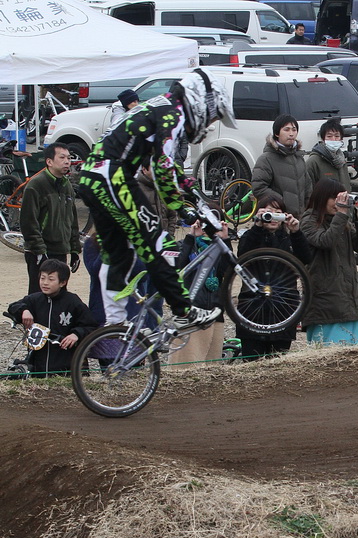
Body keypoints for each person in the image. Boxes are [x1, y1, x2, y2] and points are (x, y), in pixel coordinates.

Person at [79, 68, 235, 329]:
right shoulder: (172, 114)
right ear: (201, 103)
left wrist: (189, 191)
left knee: (118, 252)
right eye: (211, 119)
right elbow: (163, 167)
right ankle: (184, 309)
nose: (208, 126)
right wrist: (180, 206)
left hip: (92, 178)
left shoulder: (159, 107)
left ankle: (115, 328)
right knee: (157, 244)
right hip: (111, 176)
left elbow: (165, 164)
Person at [236, 197, 308, 360]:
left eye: (278, 213)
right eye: (268, 213)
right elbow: (242, 256)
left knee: (278, 362)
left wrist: (296, 232)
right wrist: (257, 227)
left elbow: (305, 258)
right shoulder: (250, 236)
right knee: (251, 361)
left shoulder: (288, 239)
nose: (273, 217)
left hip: (283, 310)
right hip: (252, 311)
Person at [300, 178, 358, 346]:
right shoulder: (308, 220)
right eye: (334, 198)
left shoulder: (342, 221)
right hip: (325, 303)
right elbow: (325, 241)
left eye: (342, 198)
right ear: (321, 197)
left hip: (350, 299)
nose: (338, 203)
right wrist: (341, 215)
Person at [7, 259, 97, 378]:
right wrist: (24, 310)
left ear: (63, 282)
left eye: (51, 279)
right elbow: (12, 307)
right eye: (42, 278)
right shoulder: (34, 300)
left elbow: (91, 326)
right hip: (38, 366)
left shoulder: (73, 302)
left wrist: (76, 334)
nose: (45, 283)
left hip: (67, 368)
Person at [168, 213, 230, 370]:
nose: (206, 227)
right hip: (191, 314)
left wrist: (225, 240)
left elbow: (229, 271)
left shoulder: (218, 249)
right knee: (185, 370)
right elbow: (176, 269)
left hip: (215, 314)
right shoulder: (184, 245)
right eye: (204, 222)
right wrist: (191, 238)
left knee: (212, 370)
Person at [20, 142, 81, 294]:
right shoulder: (36, 185)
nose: (67, 161)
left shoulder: (66, 185)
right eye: (62, 157)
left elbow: (72, 219)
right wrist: (40, 251)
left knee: (59, 296)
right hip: (41, 252)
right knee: (39, 297)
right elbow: (28, 223)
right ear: (49, 161)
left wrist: (74, 249)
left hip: (60, 250)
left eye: (69, 158)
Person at [251, 113, 312, 219]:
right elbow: (258, 188)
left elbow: (308, 186)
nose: (291, 134)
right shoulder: (266, 159)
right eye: (286, 130)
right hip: (278, 218)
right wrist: (281, 202)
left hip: (300, 218)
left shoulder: (299, 157)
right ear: (277, 133)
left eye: (294, 129)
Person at [306, 118, 353, 192]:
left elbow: (346, 185)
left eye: (337, 136)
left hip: (342, 202)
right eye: (329, 136)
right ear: (322, 139)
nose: (333, 139)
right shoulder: (313, 161)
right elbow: (308, 190)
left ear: (341, 138)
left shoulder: (341, 159)